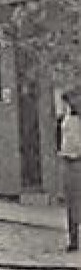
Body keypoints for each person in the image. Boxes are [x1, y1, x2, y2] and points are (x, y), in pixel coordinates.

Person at [60, 92, 80, 253]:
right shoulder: (66, 118)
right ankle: (73, 239)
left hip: (78, 161)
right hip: (68, 161)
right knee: (71, 203)